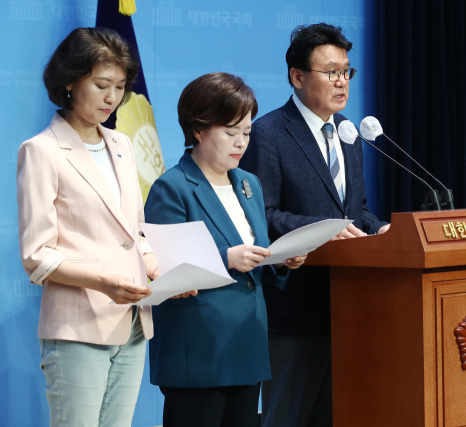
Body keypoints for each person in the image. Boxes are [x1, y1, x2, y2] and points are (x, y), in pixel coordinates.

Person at [239, 23, 389, 427]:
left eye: (346, 72)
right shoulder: (268, 134)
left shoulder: (349, 134)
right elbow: (263, 215)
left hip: (348, 306)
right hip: (295, 309)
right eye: (331, 72)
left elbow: (355, 210)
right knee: (287, 416)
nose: (342, 82)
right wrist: (322, 227)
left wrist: (381, 231)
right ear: (297, 76)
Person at [16, 27, 165, 427]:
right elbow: (37, 256)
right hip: (77, 327)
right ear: (69, 81)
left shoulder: (121, 143)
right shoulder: (41, 151)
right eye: (101, 85)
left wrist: (159, 269)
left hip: (133, 322)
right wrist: (103, 282)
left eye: (119, 86)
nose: (111, 97)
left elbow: (136, 231)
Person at [144, 72, 307, 427]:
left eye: (246, 133)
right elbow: (169, 270)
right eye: (230, 132)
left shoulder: (249, 183)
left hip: (246, 342)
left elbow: (257, 251)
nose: (241, 143)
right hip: (199, 351)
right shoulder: (172, 187)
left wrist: (282, 262)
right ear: (199, 129)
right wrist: (225, 258)